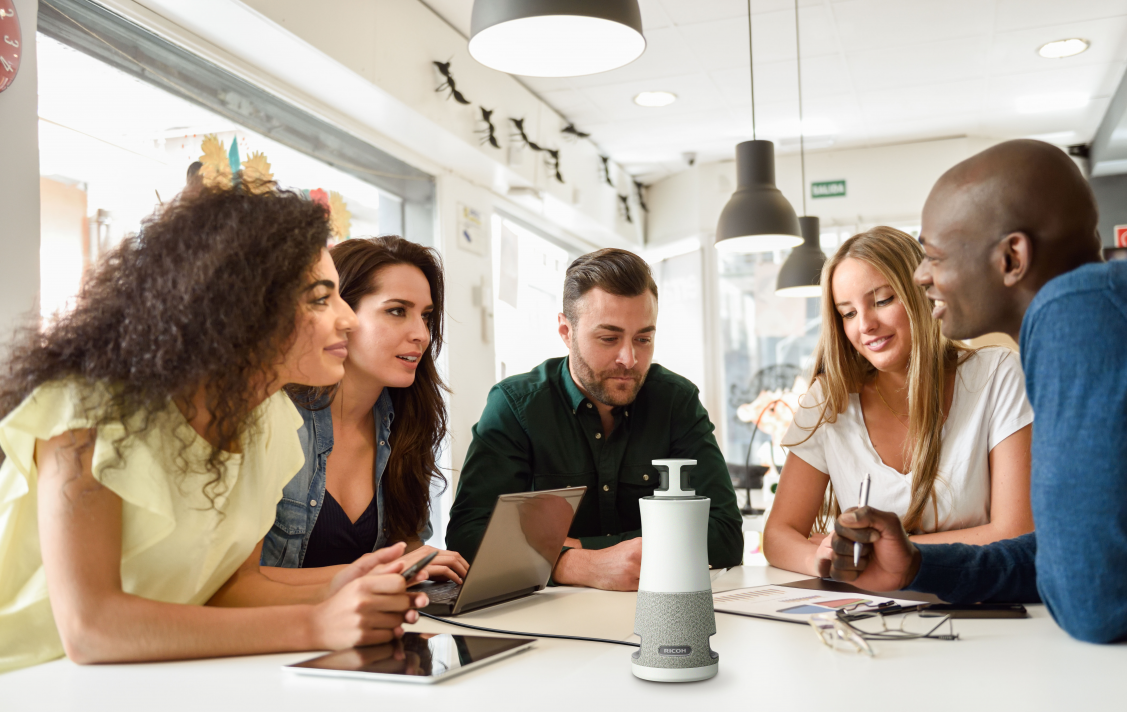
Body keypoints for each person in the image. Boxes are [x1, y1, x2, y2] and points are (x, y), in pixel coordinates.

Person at [0, 183, 432, 674]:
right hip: (25, 682)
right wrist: (316, 624)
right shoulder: (85, 409)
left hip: (143, 678)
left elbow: (232, 588)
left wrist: (339, 588)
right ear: (243, 308)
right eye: (320, 299)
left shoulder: (271, 421)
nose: (348, 319)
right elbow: (90, 628)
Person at [826, 139, 1127, 649]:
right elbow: (1065, 552)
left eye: (934, 256)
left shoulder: (1079, 315)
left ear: (1011, 257)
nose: (921, 276)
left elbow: (1092, 605)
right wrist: (916, 564)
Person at [446, 248, 742, 590]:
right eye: (609, 338)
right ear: (566, 331)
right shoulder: (516, 406)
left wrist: (581, 547)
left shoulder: (676, 401)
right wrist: (574, 564)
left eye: (643, 339)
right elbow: (468, 536)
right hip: (551, 618)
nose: (629, 358)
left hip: (657, 610)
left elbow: (725, 534)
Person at [763, 226, 1034, 577]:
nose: (865, 325)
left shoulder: (998, 374)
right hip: (869, 605)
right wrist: (817, 559)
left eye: (882, 300)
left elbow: (1017, 532)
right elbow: (778, 535)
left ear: (921, 292)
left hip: (977, 600)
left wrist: (887, 550)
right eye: (848, 313)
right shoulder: (828, 400)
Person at [256, 237, 468, 584]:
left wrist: (420, 564)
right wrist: (380, 573)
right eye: (397, 311)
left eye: (426, 316)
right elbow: (234, 585)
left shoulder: (406, 420)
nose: (422, 334)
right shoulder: (274, 417)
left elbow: (405, 549)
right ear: (339, 314)